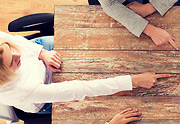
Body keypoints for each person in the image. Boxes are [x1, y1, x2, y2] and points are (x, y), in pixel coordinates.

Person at [0, 31, 169, 114]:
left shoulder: (11, 48)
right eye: (12, 61)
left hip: (43, 54)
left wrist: (41, 53)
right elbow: (82, 89)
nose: (19, 54)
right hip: (43, 95)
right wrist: (133, 81)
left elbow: (15, 41)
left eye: (10, 50)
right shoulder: (21, 89)